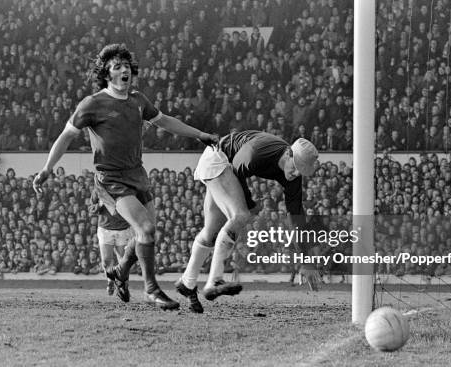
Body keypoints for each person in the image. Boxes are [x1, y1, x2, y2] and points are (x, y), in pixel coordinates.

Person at [33, 44, 218, 310]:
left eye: (126, 66)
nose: (124, 70)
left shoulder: (138, 100)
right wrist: (47, 168)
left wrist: (200, 135)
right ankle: (151, 289)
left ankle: (120, 271)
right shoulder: (92, 104)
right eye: (117, 66)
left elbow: (165, 121)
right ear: (106, 73)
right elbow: (66, 136)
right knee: (146, 229)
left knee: (147, 234)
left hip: (137, 174)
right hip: (110, 180)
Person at [175, 130, 320, 313]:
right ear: (288, 153)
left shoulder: (293, 177)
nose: (297, 173)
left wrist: (305, 259)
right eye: (296, 166)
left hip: (224, 164)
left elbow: (296, 217)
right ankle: (214, 281)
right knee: (240, 215)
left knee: (211, 233)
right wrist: (249, 203)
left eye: (302, 170)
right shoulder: (257, 154)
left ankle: (187, 282)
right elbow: (236, 171)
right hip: (219, 159)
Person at [89, 190, 132, 296]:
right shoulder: (98, 189)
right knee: (106, 260)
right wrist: (99, 205)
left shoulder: (124, 187)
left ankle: (123, 285)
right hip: (105, 228)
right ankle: (110, 281)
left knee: (123, 260)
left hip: (123, 228)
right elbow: (91, 209)